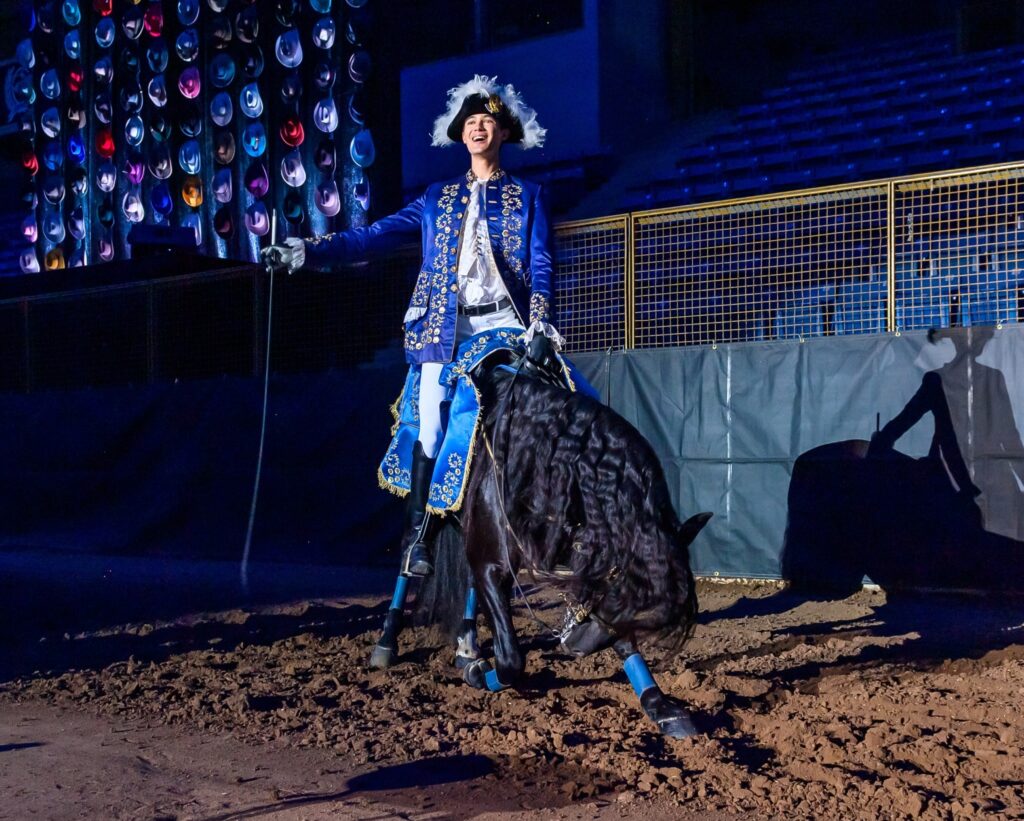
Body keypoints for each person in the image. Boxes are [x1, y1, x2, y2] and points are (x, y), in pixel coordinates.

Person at [263, 75, 562, 577]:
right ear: (461, 135)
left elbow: (542, 263)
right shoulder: (435, 198)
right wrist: (308, 250)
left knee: (553, 406)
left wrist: (540, 323)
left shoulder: (530, 196)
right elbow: (373, 236)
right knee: (430, 422)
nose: (478, 128)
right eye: (471, 122)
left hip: (507, 325)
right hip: (444, 330)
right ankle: (419, 538)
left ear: (504, 133)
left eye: (487, 121)